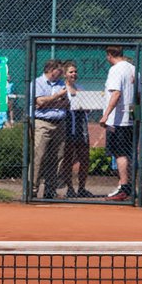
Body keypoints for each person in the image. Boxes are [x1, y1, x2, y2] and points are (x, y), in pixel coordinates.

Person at [98, 45, 137, 201]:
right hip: (130, 117)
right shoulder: (133, 69)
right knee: (127, 154)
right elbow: (138, 94)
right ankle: (126, 187)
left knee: (120, 154)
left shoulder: (115, 70)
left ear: (109, 55)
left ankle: (125, 189)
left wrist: (105, 115)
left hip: (118, 120)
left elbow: (116, 93)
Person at [31, 59, 68, 199]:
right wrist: (57, 97)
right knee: (39, 156)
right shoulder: (38, 82)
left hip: (59, 123)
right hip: (42, 123)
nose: (62, 73)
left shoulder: (62, 84)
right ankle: (32, 189)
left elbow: (67, 103)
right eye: (60, 70)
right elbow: (39, 102)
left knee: (57, 157)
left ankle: (50, 190)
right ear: (52, 70)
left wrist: (49, 101)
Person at [61, 62, 93, 197]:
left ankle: (82, 188)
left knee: (84, 159)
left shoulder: (80, 88)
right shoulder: (61, 89)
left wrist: (85, 102)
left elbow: (89, 108)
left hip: (81, 128)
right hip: (68, 127)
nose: (74, 74)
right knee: (67, 159)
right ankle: (69, 188)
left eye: (75, 72)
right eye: (71, 72)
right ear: (64, 74)